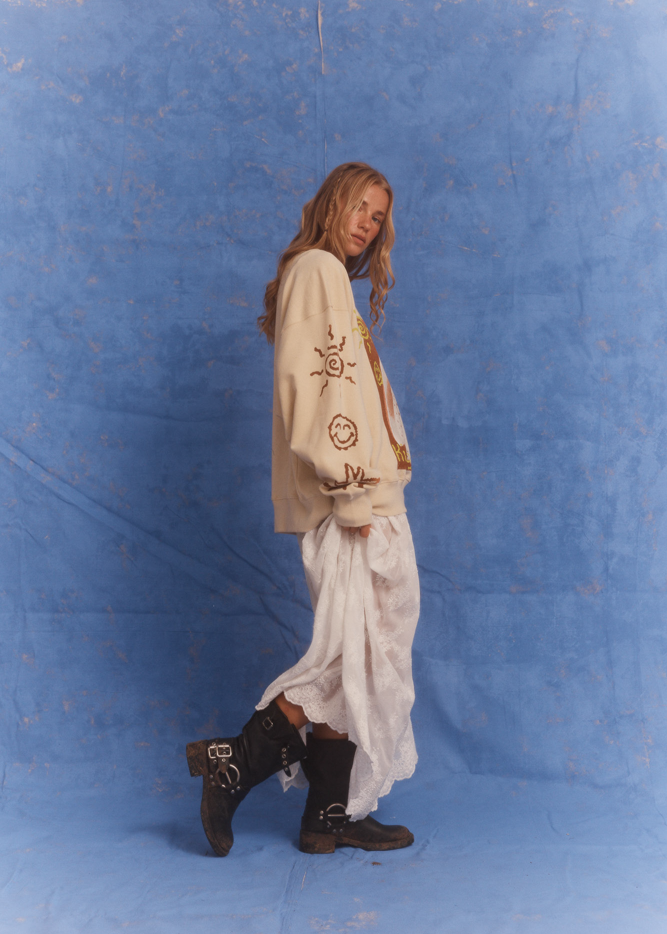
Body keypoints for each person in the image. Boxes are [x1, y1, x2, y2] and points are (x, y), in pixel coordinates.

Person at [186, 162, 420, 856]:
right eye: (357, 206)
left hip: (358, 493)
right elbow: (322, 398)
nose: (365, 223)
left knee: (363, 653)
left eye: (376, 216)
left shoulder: (320, 278)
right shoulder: (317, 272)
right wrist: (352, 490)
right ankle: (233, 764)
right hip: (353, 499)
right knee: (357, 652)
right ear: (329, 204)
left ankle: (327, 816)